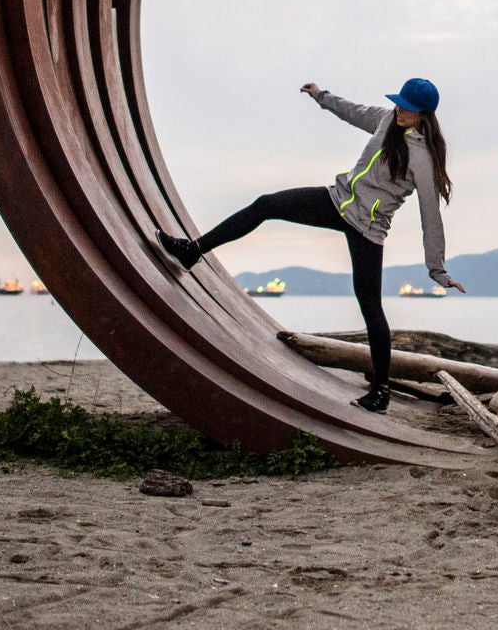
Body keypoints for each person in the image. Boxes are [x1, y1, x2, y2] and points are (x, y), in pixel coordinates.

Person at [156, 78, 460, 414]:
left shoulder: (423, 158)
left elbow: (430, 215)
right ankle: (192, 251)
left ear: (424, 114)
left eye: (408, 108)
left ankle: (381, 390)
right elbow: (353, 112)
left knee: (370, 304)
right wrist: (321, 96)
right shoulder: (387, 119)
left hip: (368, 228)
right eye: (400, 103)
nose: (401, 110)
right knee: (266, 204)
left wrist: (437, 268)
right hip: (337, 200)